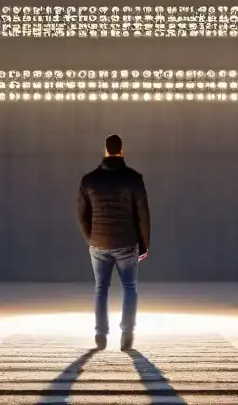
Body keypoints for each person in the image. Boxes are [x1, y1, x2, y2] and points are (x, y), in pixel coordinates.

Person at [76, 134, 151, 352]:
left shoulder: (89, 180)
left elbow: (81, 215)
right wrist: (144, 245)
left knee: (101, 289)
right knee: (129, 288)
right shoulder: (134, 179)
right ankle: (127, 335)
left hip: (98, 243)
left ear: (105, 150)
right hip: (127, 243)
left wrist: (91, 238)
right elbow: (143, 215)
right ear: (122, 150)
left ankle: (101, 335)